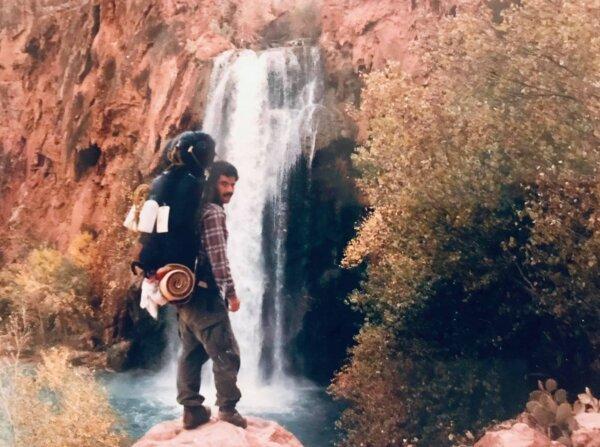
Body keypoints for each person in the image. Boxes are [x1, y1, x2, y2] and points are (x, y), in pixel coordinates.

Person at [176, 161, 247, 430]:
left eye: (233, 185)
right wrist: (231, 294)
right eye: (224, 183)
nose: (229, 190)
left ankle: (191, 410)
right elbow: (218, 259)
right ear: (212, 182)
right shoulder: (213, 212)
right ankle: (227, 410)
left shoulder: (194, 209)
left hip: (185, 294)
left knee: (191, 353)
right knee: (227, 353)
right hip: (205, 296)